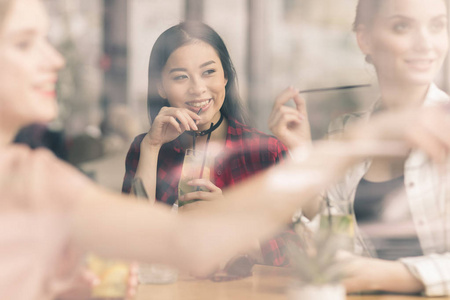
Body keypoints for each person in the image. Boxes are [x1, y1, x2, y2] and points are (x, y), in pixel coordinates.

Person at [269, 0, 450, 296]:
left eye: (437, 25)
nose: (426, 43)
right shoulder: (347, 133)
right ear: (365, 39)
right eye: (403, 26)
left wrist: (388, 276)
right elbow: (333, 244)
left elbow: (365, 273)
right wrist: (303, 153)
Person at [122, 22, 300, 267]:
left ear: (225, 76)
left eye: (209, 72)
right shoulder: (145, 149)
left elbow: (296, 252)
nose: (198, 89)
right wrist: (151, 147)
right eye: (181, 77)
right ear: (160, 86)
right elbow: (129, 242)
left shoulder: (267, 153)